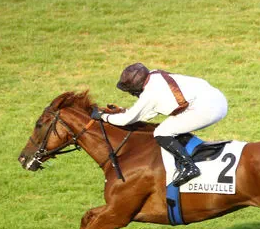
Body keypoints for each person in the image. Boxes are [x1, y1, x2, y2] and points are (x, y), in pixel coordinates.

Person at [92, 63, 228, 187]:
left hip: (208, 108)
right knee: (172, 125)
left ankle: (190, 167)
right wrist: (123, 111)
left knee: (161, 132)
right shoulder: (155, 75)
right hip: (214, 98)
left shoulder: (150, 93)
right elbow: (146, 113)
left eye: (131, 92)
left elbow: (125, 121)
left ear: (136, 87)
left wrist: (103, 116)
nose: (133, 94)